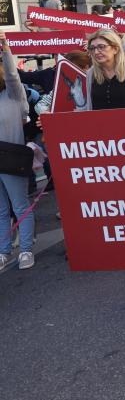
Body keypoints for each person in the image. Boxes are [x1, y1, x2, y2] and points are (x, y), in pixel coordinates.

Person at [0, 31, 34, 269]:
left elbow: (13, 75)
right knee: (1, 210)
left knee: (20, 205)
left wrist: (5, 47)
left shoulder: (13, 94)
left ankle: (26, 250)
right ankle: (3, 251)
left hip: (11, 158)